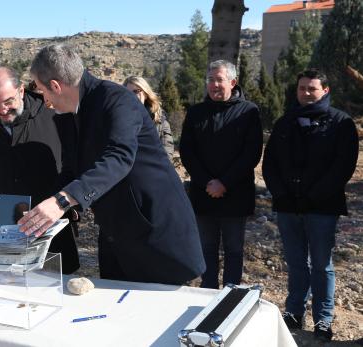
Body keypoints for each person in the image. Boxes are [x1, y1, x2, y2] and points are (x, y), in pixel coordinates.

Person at [21, 44, 205, 284]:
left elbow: (119, 157)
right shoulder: (66, 116)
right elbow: (71, 170)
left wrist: (62, 200)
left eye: (43, 91)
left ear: (56, 86)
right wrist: (43, 210)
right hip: (115, 235)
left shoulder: (117, 100)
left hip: (154, 233)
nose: (44, 100)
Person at [263, 69, 358, 342]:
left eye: (312, 88)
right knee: (295, 263)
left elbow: (343, 167)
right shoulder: (285, 123)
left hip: (322, 207)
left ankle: (323, 320)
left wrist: (314, 196)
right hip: (287, 206)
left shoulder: (341, 123)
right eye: (302, 88)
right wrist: (281, 193)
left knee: (321, 264)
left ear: (325, 91)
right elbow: (270, 164)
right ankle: (293, 312)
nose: (306, 93)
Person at [0, 66, 80, 274]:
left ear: (21, 91)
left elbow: (76, 165)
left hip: (53, 232)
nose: (2, 110)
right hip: (5, 237)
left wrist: (75, 205)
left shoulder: (53, 117)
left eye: (8, 101)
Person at [179, 60, 263, 290]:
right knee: (206, 248)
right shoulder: (196, 113)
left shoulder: (248, 112)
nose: (214, 85)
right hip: (203, 193)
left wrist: (224, 182)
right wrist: (207, 182)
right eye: (210, 80)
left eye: (220, 80)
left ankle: (230, 296)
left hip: (236, 194)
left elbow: (251, 153)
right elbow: (187, 151)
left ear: (233, 82)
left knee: (234, 250)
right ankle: (207, 293)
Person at [123, 76, 174, 159]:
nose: (132, 96)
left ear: (145, 93)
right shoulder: (119, 118)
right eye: (128, 93)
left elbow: (167, 150)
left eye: (136, 91)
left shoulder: (159, 119)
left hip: (153, 168)